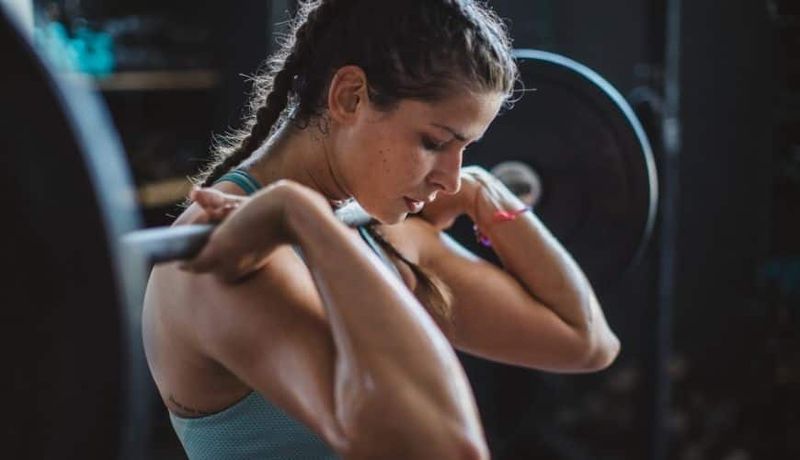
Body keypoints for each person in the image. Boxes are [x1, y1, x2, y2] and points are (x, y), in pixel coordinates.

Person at [142, 0, 621, 458]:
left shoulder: (371, 226)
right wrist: (302, 214)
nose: (450, 179)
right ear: (350, 96)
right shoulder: (227, 253)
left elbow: (585, 341)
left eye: (465, 151)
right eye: (435, 142)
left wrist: (486, 193)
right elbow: (443, 449)